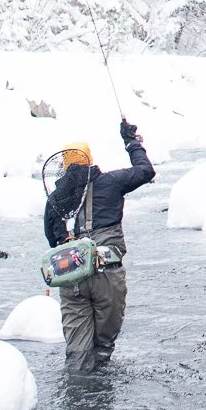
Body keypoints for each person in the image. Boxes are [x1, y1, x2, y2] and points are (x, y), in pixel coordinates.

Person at [44, 120, 155, 371]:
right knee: (102, 350)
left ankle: (78, 393)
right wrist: (131, 143)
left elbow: (52, 239)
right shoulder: (112, 182)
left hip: (71, 278)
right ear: (89, 161)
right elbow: (146, 171)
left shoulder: (55, 199)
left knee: (78, 355)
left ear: (64, 167)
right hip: (107, 274)